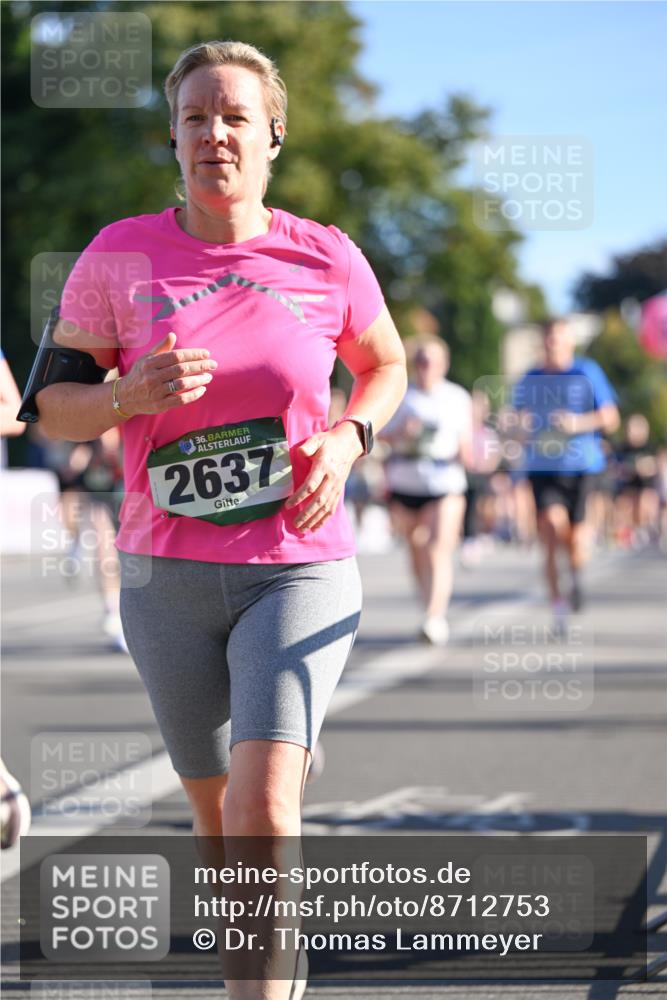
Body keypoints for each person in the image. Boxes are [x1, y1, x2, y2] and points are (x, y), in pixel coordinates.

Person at [26, 40, 407, 999]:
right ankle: (275, 955)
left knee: (264, 802)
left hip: (298, 564)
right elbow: (51, 407)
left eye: (235, 116)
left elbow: (384, 365)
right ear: (172, 135)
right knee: (214, 818)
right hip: (165, 578)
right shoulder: (121, 254)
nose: (214, 134)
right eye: (195, 117)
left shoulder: (325, 255)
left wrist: (351, 435)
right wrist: (128, 394)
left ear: (272, 134)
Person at [513, 318, 619, 629]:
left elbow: (610, 418)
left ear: (570, 342)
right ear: (542, 343)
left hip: (582, 466)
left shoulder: (587, 372)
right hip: (542, 466)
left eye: (558, 339)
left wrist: (577, 424)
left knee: (575, 542)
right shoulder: (530, 378)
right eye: (548, 339)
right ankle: (557, 605)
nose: (553, 344)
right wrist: (522, 427)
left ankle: (575, 576)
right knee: (551, 528)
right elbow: (515, 420)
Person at [381, 336, 472, 645]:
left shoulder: (457, 397)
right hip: (406, 480)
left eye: (430, 361)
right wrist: (401, 433)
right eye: (419, 360)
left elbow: (467, 442)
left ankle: (435, 616)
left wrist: (471, 456)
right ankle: (428, 601)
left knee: (437, 547)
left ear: (443, 365)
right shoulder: (401, 396)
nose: (424, 367)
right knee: (416, 547)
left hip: (445, 482)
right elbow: (379, 437)